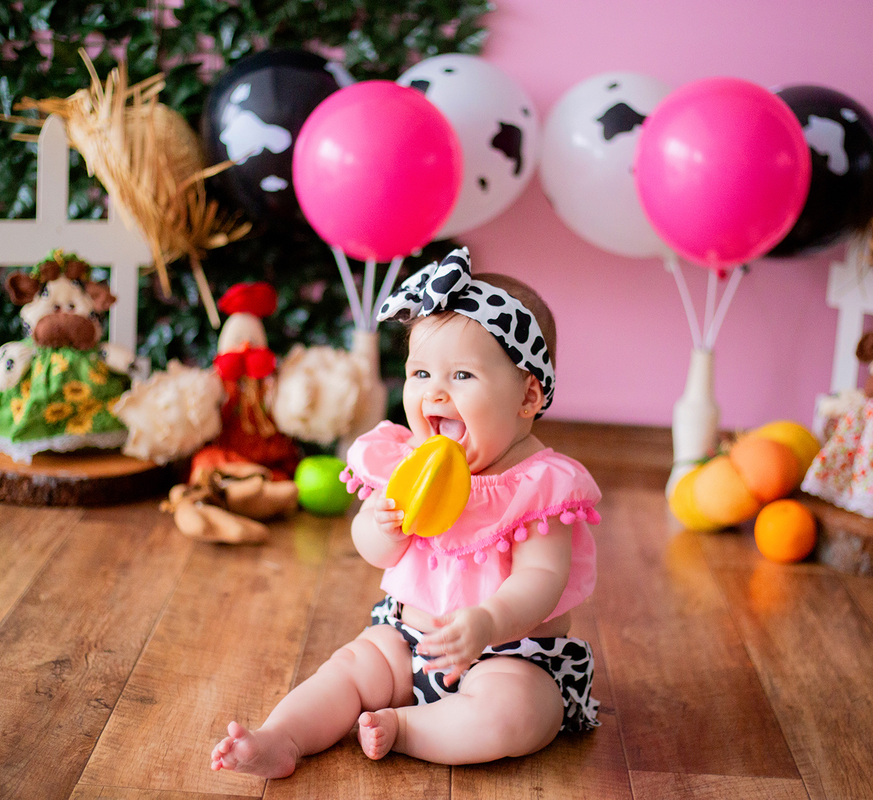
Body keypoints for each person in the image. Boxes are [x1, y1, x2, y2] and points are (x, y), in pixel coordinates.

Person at [210, 247, 602, 777]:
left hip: (509, 654)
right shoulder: (408, 462)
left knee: (519, 716)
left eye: (462, 375)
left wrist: (488, 622)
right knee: (349, 667)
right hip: (408, 638)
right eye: (419, 373)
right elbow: (373, 548)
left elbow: (543, 579)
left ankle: (409, 728)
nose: (434, 392)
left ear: (528, 395)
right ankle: (282, 737)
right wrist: (378, 527)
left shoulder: (538, 486)